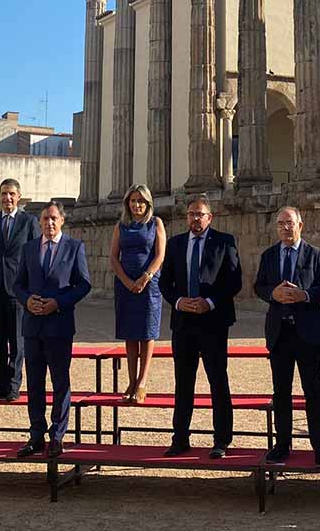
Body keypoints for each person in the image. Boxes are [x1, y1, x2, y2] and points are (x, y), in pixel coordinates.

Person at [158, 194, 242, 459]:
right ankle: (180, 437)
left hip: (213, 322)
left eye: (200, 214)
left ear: (210, 217)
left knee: (218, 380)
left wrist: (210, 302)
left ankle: (221, 440)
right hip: (183, 322)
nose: (195, 218)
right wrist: (179, 301)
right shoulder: (175, 244)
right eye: (191, 214)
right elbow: (164, 283)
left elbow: (234, 281)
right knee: (184, 382)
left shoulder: (224, 242)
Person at [257, 206, 320, 467]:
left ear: (300, 225)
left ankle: (319, 446)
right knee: (281, 392)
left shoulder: (314, 254)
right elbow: (259, 285)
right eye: (280, 224)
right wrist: (272, 294)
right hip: (279, 331)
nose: (285, 228)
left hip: (307, 332)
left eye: (289, 223)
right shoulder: (269, 256)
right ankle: (282, 445)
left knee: (313, 391)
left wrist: (305, 295)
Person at [13, 202, 91, 458]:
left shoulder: (74, 247)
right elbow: (18, 285)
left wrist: (59, 302)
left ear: (62, 221)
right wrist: (27, 301)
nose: (49, 223)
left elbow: (83, 284)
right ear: (39, 222)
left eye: (53, 218)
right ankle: (36, 435)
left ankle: (57, 436)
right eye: (45, 219)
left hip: (59, 325)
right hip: (33, 327)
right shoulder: (29, 249)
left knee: (60, 383)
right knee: (34, 384)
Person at [0, 178, 40, 401]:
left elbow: (34, 255)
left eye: (12, 194)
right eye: (4, 194)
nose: (7, 198)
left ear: (19, 197)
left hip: (17, 289)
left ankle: (13, 387)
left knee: (17, 341)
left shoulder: (29, 221)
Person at [109, 183, 165, 402]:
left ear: (148, 203)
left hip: (149, 284)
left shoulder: (156, 223)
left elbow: (159, 256)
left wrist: (145, 278)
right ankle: (131, 380)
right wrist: (126, 280)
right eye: (133, 200)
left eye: (141, 201)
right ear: (127, 203)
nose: (137, 204)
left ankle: (142, 381)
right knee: (130, 334)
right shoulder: (121, 225)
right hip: (125, 283)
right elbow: (114, 257)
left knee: (146, 332)